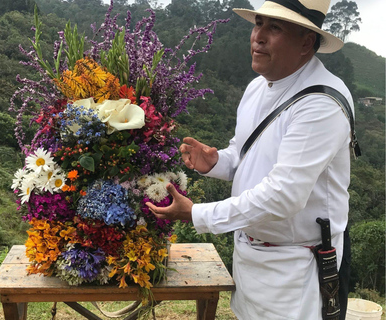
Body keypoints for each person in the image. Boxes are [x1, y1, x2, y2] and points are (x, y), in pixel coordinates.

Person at [146, 0, 355, 319]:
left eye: (275, 27)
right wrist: (216, 162)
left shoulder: (321, 104)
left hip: (297, 271)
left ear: (306, 42)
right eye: (258, 23)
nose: (258, 36)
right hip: (250, 259)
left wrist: (197, 214)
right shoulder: (258, 88)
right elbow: (243, 154)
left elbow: (284, 195)